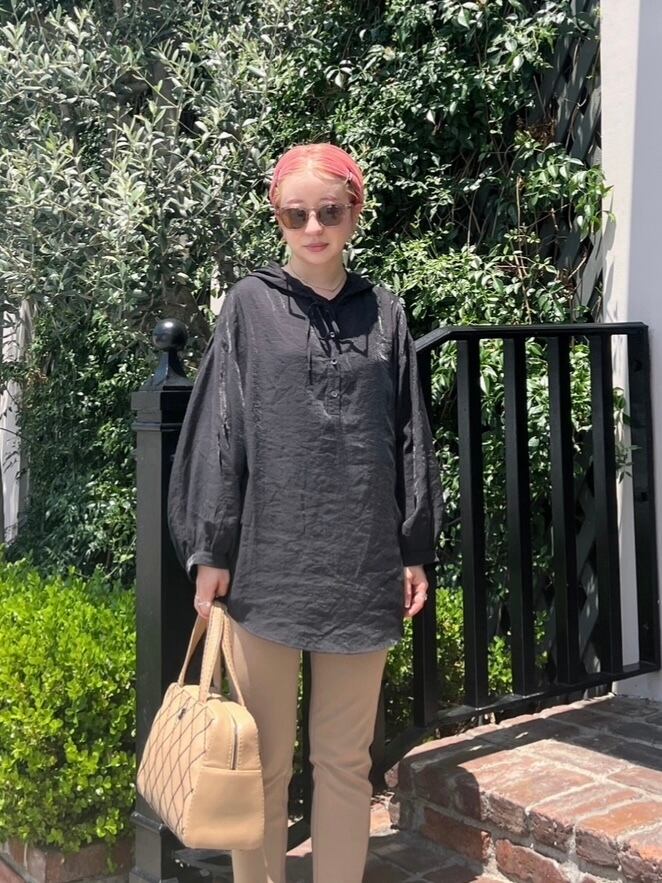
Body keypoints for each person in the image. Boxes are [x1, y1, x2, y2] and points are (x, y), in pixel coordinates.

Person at [167, 142, 444, 883]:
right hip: (268, 562)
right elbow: (221, 431)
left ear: (355, 211)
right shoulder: (249, 307)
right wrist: (211, 549)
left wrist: (413, 546)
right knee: (258, 760)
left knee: (346, 762)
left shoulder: (386, 314)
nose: (314, 227)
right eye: (297, 215)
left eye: (329, 211)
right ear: (278, 218)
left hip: (362, 562)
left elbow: (409, 435)